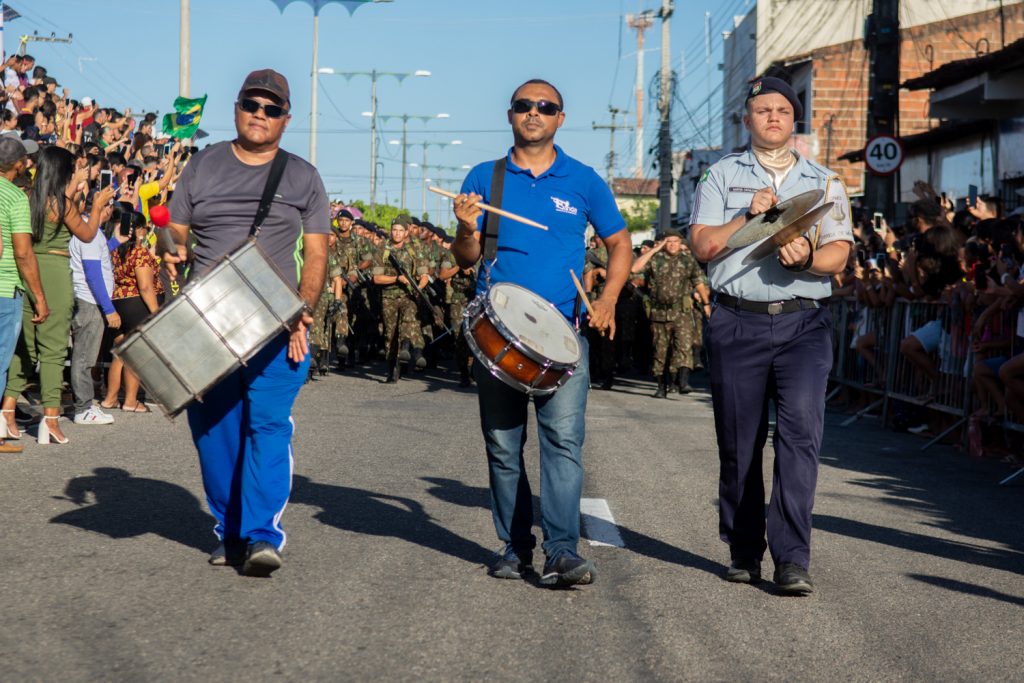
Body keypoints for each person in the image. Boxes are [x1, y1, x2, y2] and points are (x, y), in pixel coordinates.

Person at [451, 78, 632, 587]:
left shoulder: (584, 180)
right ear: (510, 114)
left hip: (565, 337)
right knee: (503, 445)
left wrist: (609, 298)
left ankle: (561, 552)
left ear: (560, 118)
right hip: (499, 333)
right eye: (525, 106)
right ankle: (513, 547)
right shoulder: (485, 178)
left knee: (563, 444)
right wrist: (466, 229)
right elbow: (464, 258)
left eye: (546, 107)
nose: (535, 113)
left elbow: (620, 243)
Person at [161, 69, 330, 577]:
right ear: (236, 108)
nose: (260, 114)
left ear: (286, 118)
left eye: (272, 108)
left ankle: (261, 535)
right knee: (214, 431)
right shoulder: (202, 166)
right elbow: (173, 236)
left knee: (268, 425)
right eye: (251, 104)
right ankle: (228, 529)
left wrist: (303, 311)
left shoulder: (302, 176)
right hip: (207, 324)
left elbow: (318, 254)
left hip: (278, 326)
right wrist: (171, 249)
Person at [689, 77, 853, 595]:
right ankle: (743, 549)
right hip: (738, 320)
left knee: (799, 437)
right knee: (739, 443)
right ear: (748, 119)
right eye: (763, 110)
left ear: (793, 118)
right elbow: (703, 245)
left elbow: (839, 254)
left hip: (804, 322)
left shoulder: (825, 181)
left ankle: (792, 559)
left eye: (782, 110)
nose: (774, 118)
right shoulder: (720, 175)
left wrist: (806, 256)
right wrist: (749, 214)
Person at [3, 145, 113, 446]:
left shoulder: (26, 198)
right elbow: (88, 234)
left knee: (23, 349)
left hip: (26, 272)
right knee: (52, 351)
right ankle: (50, 422)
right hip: (54, 272)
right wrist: (97, 207)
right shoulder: (61, 204)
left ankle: (8, 413)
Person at [630, 229, 710, 397]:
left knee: (683, 346)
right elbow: (635, 268)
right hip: (659, 313)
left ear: (681, 244)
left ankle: (683, 381)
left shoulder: (688, 261)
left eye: (676, 241)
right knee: (660, 351)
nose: (673, 245)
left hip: (681, 313)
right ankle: (661, 386)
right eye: (669, 241)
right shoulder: (655, 260)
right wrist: (654, 249)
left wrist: (706, 303)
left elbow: (699, 282)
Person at [102, 214, 165, 413]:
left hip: (119, 301)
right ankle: (130, 400)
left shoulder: (114, 251)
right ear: (137, 230)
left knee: (120, 354)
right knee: (134, 354)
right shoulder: (139, 252)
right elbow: (146, 287)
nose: (146, 232)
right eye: (144, 228)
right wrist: (156, 313)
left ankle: (110, 398)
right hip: (137, 304)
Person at [0, 137, 39, 454]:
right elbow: (23, 253)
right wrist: (39, 295)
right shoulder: (15, 197)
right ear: (18, 164)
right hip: (5, 288)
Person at [68, 195, 118, 425]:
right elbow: (92, 272)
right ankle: (83, 408)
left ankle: (84, 405)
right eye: (110, 207)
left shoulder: (91, 232)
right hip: (89, 301)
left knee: (86, 355)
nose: (111, 212)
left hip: (89, 300)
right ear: (102, 208)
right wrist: (108, 309)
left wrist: (115, 242)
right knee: (85, 356)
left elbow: (96, 257)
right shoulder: (90, 233)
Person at [372, 215, 429, 383]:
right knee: (390, 334)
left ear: (406, 233)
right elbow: (376, 278)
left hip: (408, 295)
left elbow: (423, 275)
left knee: (409, 320)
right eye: (394, 230)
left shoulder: (414, 250)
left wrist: (418, 287)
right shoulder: (383, 249)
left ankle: (405, 346)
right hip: (388, 296)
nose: (396, 234)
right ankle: (392, 368)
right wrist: (396, 279)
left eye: (400, 231)